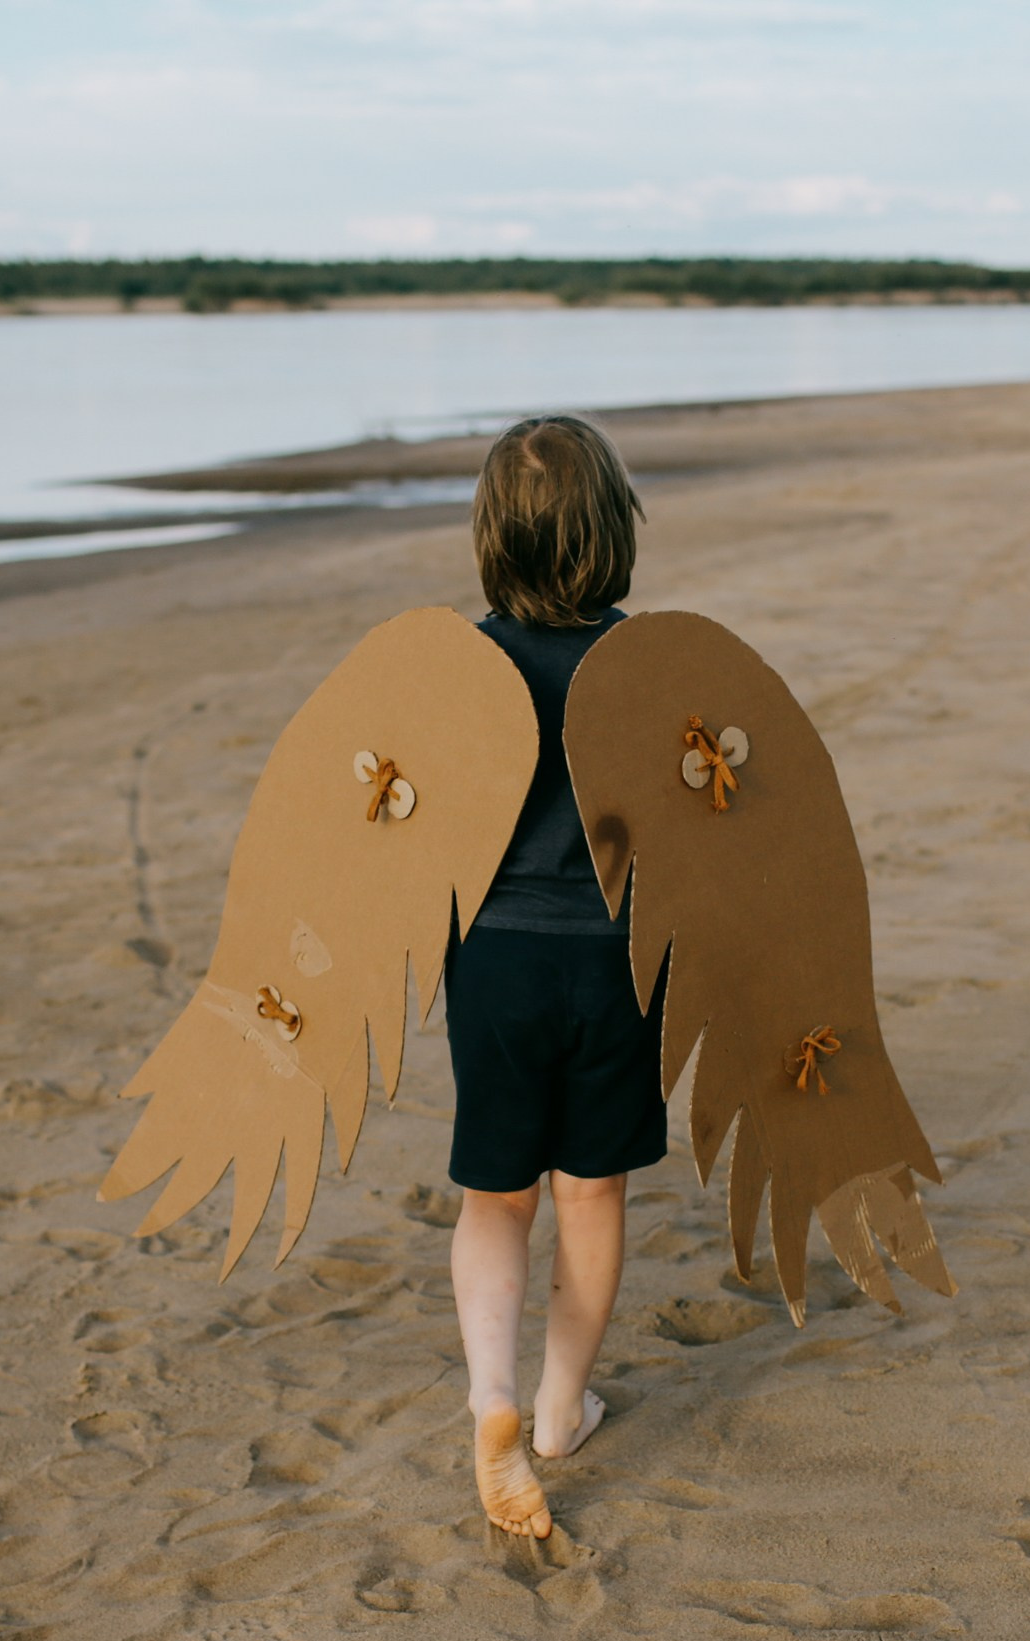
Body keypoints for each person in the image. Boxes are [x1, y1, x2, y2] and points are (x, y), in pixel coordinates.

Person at [446, 414, 662, 1540]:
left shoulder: (462, 668)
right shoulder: (646, 668)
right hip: (614, 958)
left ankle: (488, 1393)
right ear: (611, 531)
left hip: (494, 961)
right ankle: (558, 1407)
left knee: (496, 1196)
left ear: (492, 538)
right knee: (590, 1195)